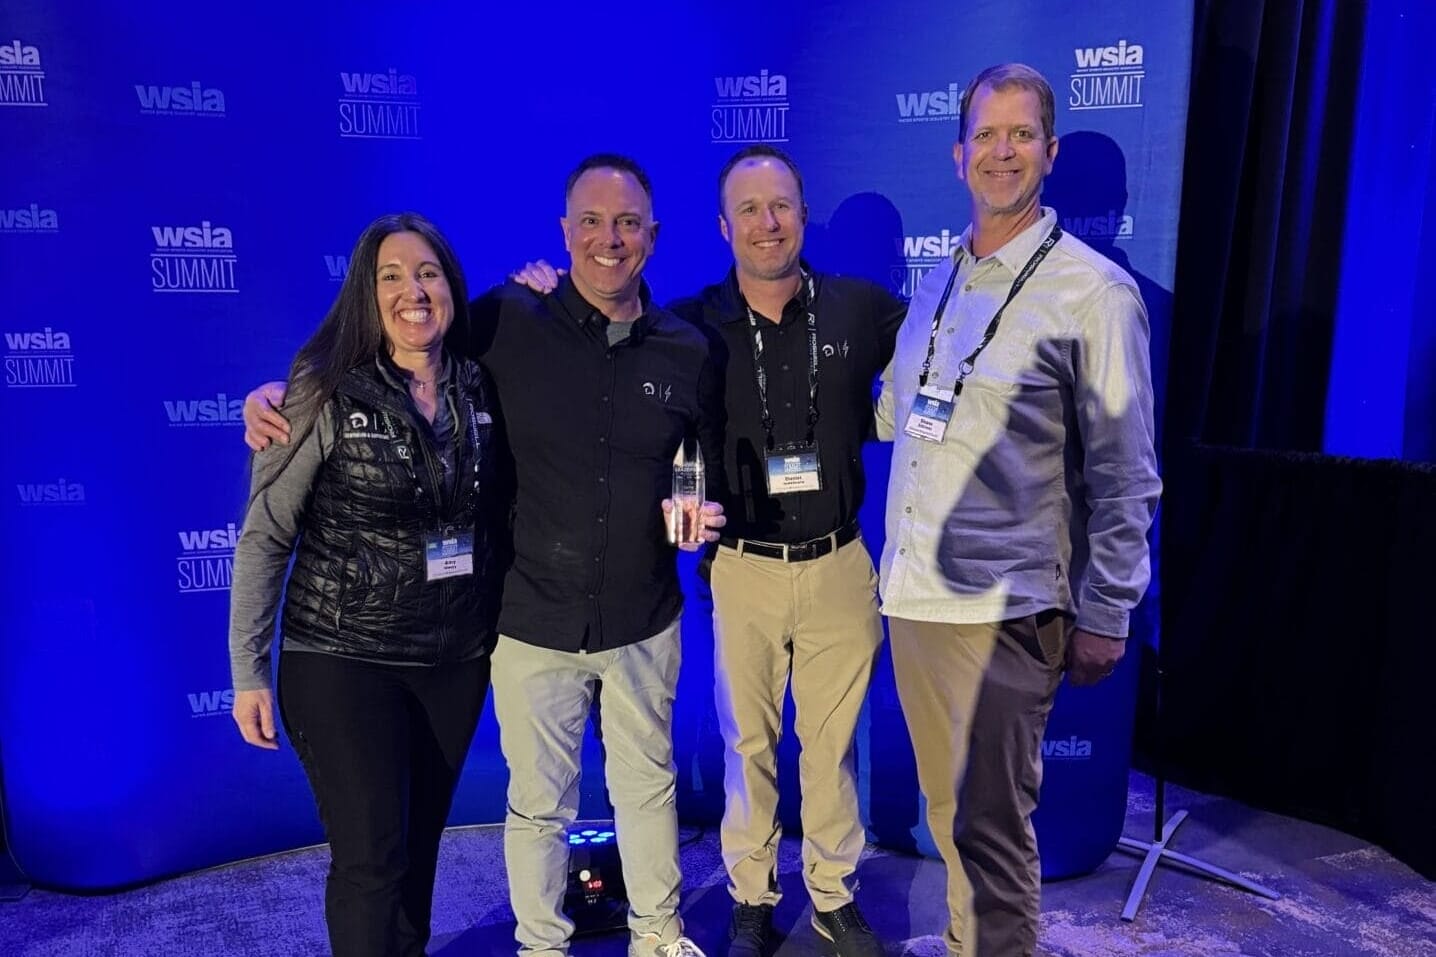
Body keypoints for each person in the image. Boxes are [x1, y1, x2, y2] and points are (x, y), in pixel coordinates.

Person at [243, 155, 723, 957]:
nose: (611, 239)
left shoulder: (686, 350)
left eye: (629, 222)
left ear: (654, 235)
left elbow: (697, 463)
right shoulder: (506, 318)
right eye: (593, 222)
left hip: (641, 614)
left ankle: (656, 934)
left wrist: (699, 511)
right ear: (565, 232)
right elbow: (392, 340)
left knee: (646, 788)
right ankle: (542, 945)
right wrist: (280, 396)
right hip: (525, 617)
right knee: (534, 805)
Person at [513, 145, 905, 957]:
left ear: (803, 212)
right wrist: (538, 290)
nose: (769, 223)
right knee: (749, 746)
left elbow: (948, 353)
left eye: (783, 205)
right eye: (751, 210)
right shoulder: (688, 326)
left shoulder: (862, 308)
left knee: (831, 749)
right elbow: (632, 379)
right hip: (743, 567)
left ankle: (833, 894)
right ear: (724, 227)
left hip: (838, 563)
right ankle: (752, 894)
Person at [874, 64, 1161, 957]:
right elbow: (896, 411)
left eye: (1021, 134)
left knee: (993, 830)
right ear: (960, 155)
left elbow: (1125, 472)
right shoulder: (939, 282)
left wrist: (1108, 608)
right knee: (951, 810)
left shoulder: (1094, 294)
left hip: (1007, 607)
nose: (1003, 152)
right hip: (916, 596)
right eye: (987, 137)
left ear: (1050, 150)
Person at [229, 212, 506, 957]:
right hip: (343, 658)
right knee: (371, 859)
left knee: (416, 855)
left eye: (428, 273)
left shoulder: (480, 381)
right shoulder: (321, 391)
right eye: (391, 276)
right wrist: (248, 671)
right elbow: (265, 536)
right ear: (364, 292)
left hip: (452, 660)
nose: (412, 290)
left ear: (451, 286)